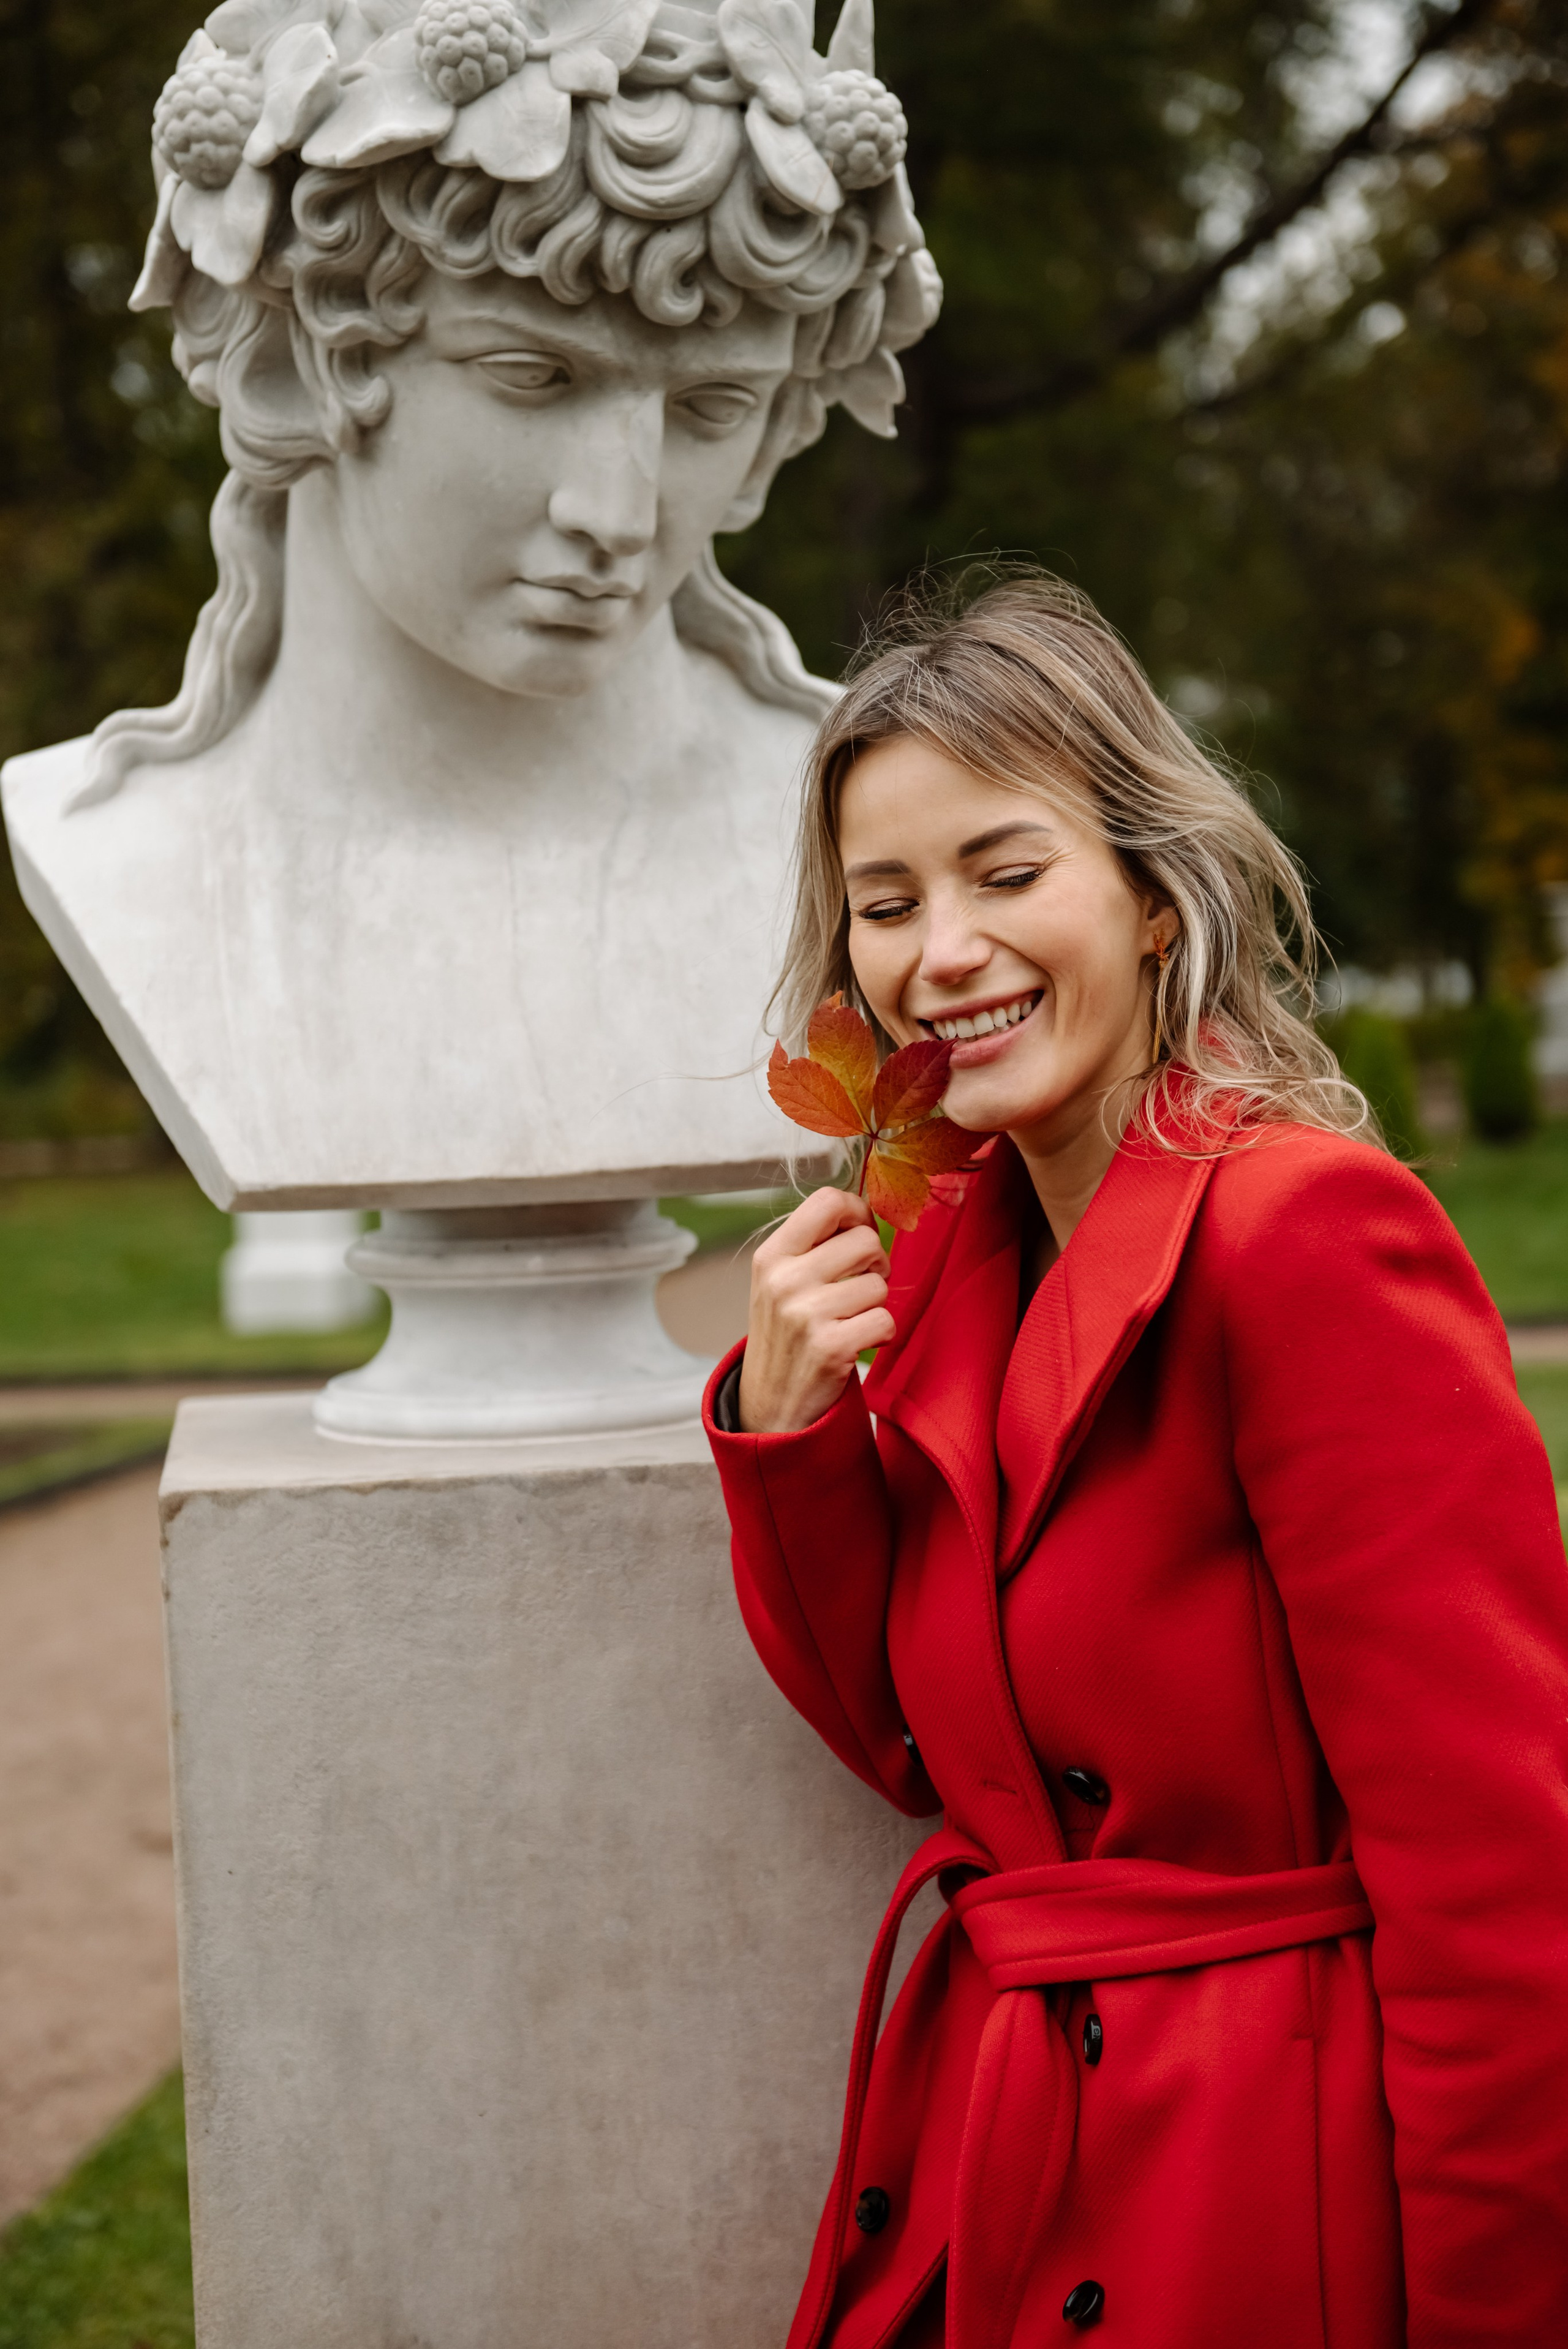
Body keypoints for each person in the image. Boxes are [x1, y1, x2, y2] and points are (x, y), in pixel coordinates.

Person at [703, 572, 1568, 2349]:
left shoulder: (1308, 1235)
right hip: (1005, 2157)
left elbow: (1504, 1892)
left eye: (1007, 873)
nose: (941, 949)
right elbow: (910, 1737)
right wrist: (790, 1440)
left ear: (1156, 898)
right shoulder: (947, 1258)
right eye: (886, 902)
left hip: (1268, 2193)